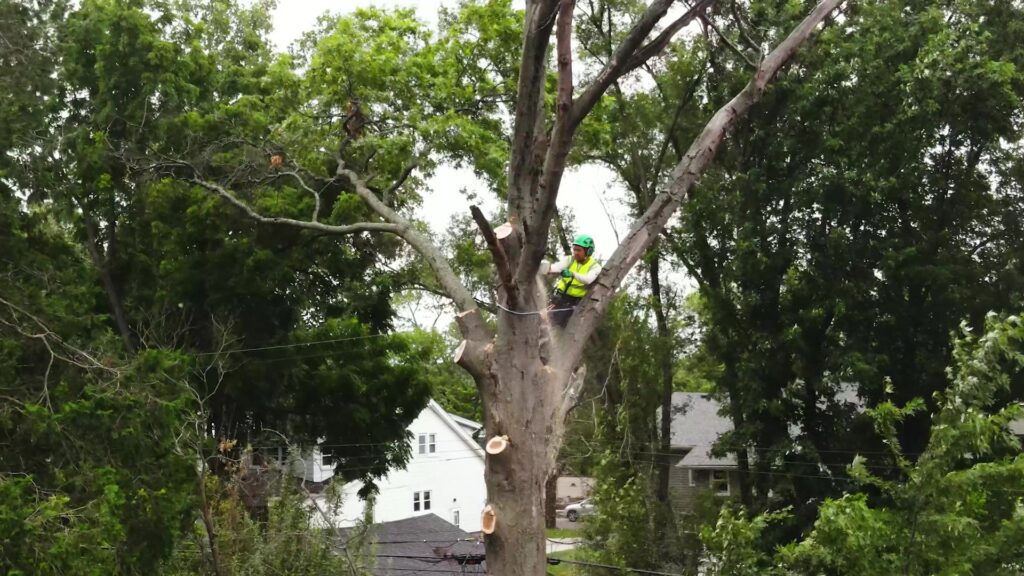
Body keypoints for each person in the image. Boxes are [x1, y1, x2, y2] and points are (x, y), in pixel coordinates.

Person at [543, 234, 602, 327]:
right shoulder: (570, 259)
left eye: (579, 250)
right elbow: (556, 267)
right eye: (574, 249)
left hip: (573, 303)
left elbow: (588, 280)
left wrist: (572, 274)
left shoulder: (595, 266)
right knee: (544, 319)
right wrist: (546, 268)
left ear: (588, 251)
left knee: (556, 326)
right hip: (559, 297)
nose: (575, 252)